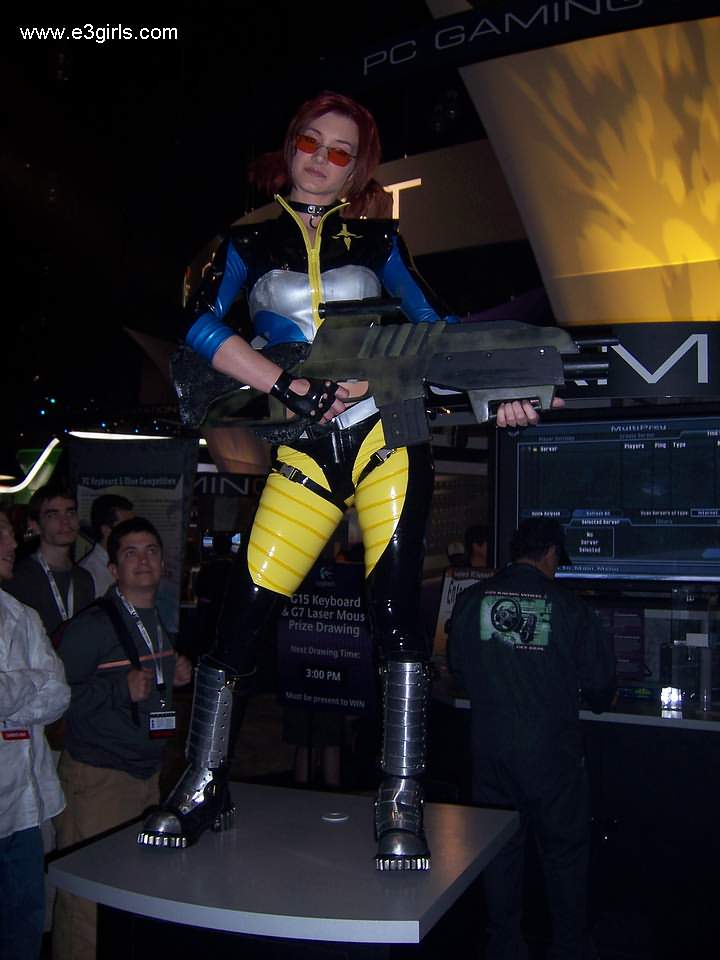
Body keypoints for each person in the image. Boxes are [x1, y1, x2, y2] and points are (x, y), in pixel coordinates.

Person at [139, 90, 549, 868]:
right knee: (243, 612)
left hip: (388, 429)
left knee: (394, 611)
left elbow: (434, 324)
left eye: (340, 151)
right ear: (288, 144)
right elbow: (195, 322)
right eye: (310, 142)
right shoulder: (247, 241)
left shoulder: (380, 239)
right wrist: (285, 384)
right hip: (303, 442)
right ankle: (204, 781)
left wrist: (501, 388)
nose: (321, 161)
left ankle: (401, 796)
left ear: (358, 168)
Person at [448, 518, 616, 960]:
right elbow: (601, 688)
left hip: (491, 754)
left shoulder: (471, 601)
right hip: (553, 760)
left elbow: (458, 668)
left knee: (499, 853)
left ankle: (505, 947)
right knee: (564, 856)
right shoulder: (570, 608)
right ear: (551, 554)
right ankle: (569, 949)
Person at [53, 517, 193, 960]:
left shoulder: (156, 620)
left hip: (145, 775)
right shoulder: (93, 626)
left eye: (151, 550)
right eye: (130, 553)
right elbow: (53, 700)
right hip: (98, 779)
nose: (143, 560)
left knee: (125, 891)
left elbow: (148, 682)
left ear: (163, 562)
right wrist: (117, 689)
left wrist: (175, 675)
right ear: (113, 569)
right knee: (87, 904)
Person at [0, 504, 70, 960]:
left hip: (25, 809)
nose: (13, 544)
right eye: (2, 535)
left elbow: (59, 694)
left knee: (24, 924)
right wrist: (29, 681)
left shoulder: (22, 615)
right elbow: (36, 686)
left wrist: (14, 692)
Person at [5, 484, 94, 640]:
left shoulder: (84, 579)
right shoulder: (18, 579)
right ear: (35, 525)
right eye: (53, 515)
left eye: (70, 512)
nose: (65, 521)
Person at [79, 493, 135, 597]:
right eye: (126, 528)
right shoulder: (88, 574)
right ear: (106, 531)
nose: (133, 533)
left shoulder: (129, 562)